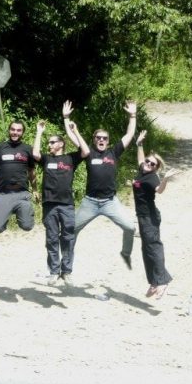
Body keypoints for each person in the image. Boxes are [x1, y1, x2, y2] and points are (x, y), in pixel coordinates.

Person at [74, 100, 138, 270]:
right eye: (98, 138)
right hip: (90, 202)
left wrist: (132, 115)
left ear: (108, 141)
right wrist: (67, 121)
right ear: (94, 140)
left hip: (110, 202)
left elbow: (129, 135)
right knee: (71, 230)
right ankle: (66, 264)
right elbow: (75, 139)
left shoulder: (114, 152)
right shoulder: (88, 153)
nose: (101, 140)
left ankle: (125, 253)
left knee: (130, 227)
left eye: (104, 138)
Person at [32, 101, 89, 286]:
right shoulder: (47, 159)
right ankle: (54, 271)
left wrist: (73, 127)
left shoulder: (70, 158)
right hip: (49, 204)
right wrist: (39, 133)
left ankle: (67, 271)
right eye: (48, 142)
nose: (49, 144)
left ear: (61, 144)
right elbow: (35, 154)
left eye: (52, 142)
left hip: (66, 204)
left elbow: (86, 151)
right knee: (51, 239)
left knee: (68, 237)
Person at [133, 130, 178, 299]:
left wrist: (165, 179)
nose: (148, 164)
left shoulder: (152, 178)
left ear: (156, 168)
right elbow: (140, 159)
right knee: (146, 249)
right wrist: (139, 144)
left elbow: (159, 191)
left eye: (153, 164)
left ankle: (163, 282)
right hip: (142, 217)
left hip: (150, 217)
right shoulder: (142, 171)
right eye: (148, 162)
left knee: (154, 247)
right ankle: (154, 281)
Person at [0, 119, 36, 234]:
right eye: (13, 129)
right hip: (3, 193)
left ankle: (22, 212)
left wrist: (35, 189)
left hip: (22, 193)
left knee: (27, 226)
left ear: (22, 133)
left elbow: (32, 170)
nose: (15, 132)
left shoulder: (28, 149)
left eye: (19, 130)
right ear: (9, 130)